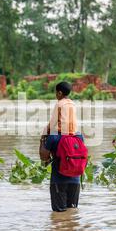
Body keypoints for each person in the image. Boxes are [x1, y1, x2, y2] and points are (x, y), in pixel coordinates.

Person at [40, 82, 85, 212]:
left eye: (56, 93)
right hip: (76, 182)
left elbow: (44, 158)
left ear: (59, 93)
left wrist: (42, 139)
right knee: (72, 215)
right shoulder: (79, 137)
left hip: (58, 182)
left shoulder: (53, 137)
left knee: (59, 217)